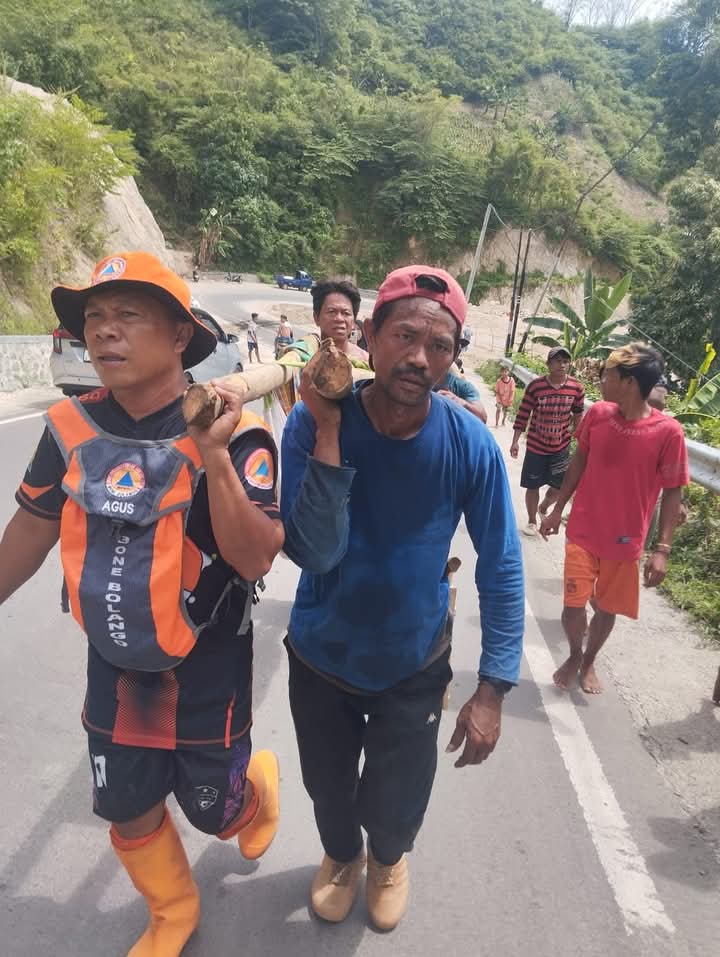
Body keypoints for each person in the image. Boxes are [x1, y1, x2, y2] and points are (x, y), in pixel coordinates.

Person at [0, 252, 285, 956]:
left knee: (214, 812)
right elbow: (32, 530)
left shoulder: (238, 431)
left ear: (180, 336)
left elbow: (255, 557)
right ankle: (171, 908)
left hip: (208, 659)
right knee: (125, 805)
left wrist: (214, 457)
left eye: (128, 315)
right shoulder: (69, 427)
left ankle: (256, 785)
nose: (104, 332)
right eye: (94, 318)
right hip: (117, 660)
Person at [280, 265, 524, 931]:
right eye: (405, 335)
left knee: (398, 795)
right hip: (321, 652)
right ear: (368, 335)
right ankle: (339, 855)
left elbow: (501, 563)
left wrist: (494, 685)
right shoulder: (311, 425)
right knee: (328, 786)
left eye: (439, 345)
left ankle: (387, 858)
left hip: (412, 660)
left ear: (453, 356)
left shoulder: (468, 442)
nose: (420, 357)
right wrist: (328, 433)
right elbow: (314, 552)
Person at [540, 343, 689, 695]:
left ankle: (589, 661)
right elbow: (579, 462)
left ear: (629, 382)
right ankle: (575, 653)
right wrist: (558, 508)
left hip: (625, 542)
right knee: (573, 606)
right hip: (582, 530)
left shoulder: (669, 433)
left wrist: (662, 549)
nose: (601, 379)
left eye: (608, 374)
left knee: (607, 609)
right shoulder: (597, 415)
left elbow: (672, 493)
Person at [510, 346, 585, 537]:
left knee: (561, 486)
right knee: (532, 485)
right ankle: (532, 521)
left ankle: (544, 506)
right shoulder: (536, 386)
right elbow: (523, 414)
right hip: (536, 445)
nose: (562, 364)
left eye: (565, 361)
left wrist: (580, 437)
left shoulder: (577, 388)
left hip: (561, 445)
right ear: (549, 364)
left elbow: (578, 414)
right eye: (558, 360)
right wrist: (516, 441)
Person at [311, 279, 368, 360]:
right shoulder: (303, 356)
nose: (339, 319)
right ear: (316, 318)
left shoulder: (365, 361)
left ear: (353, 321)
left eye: (346, 313)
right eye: (332, 312)